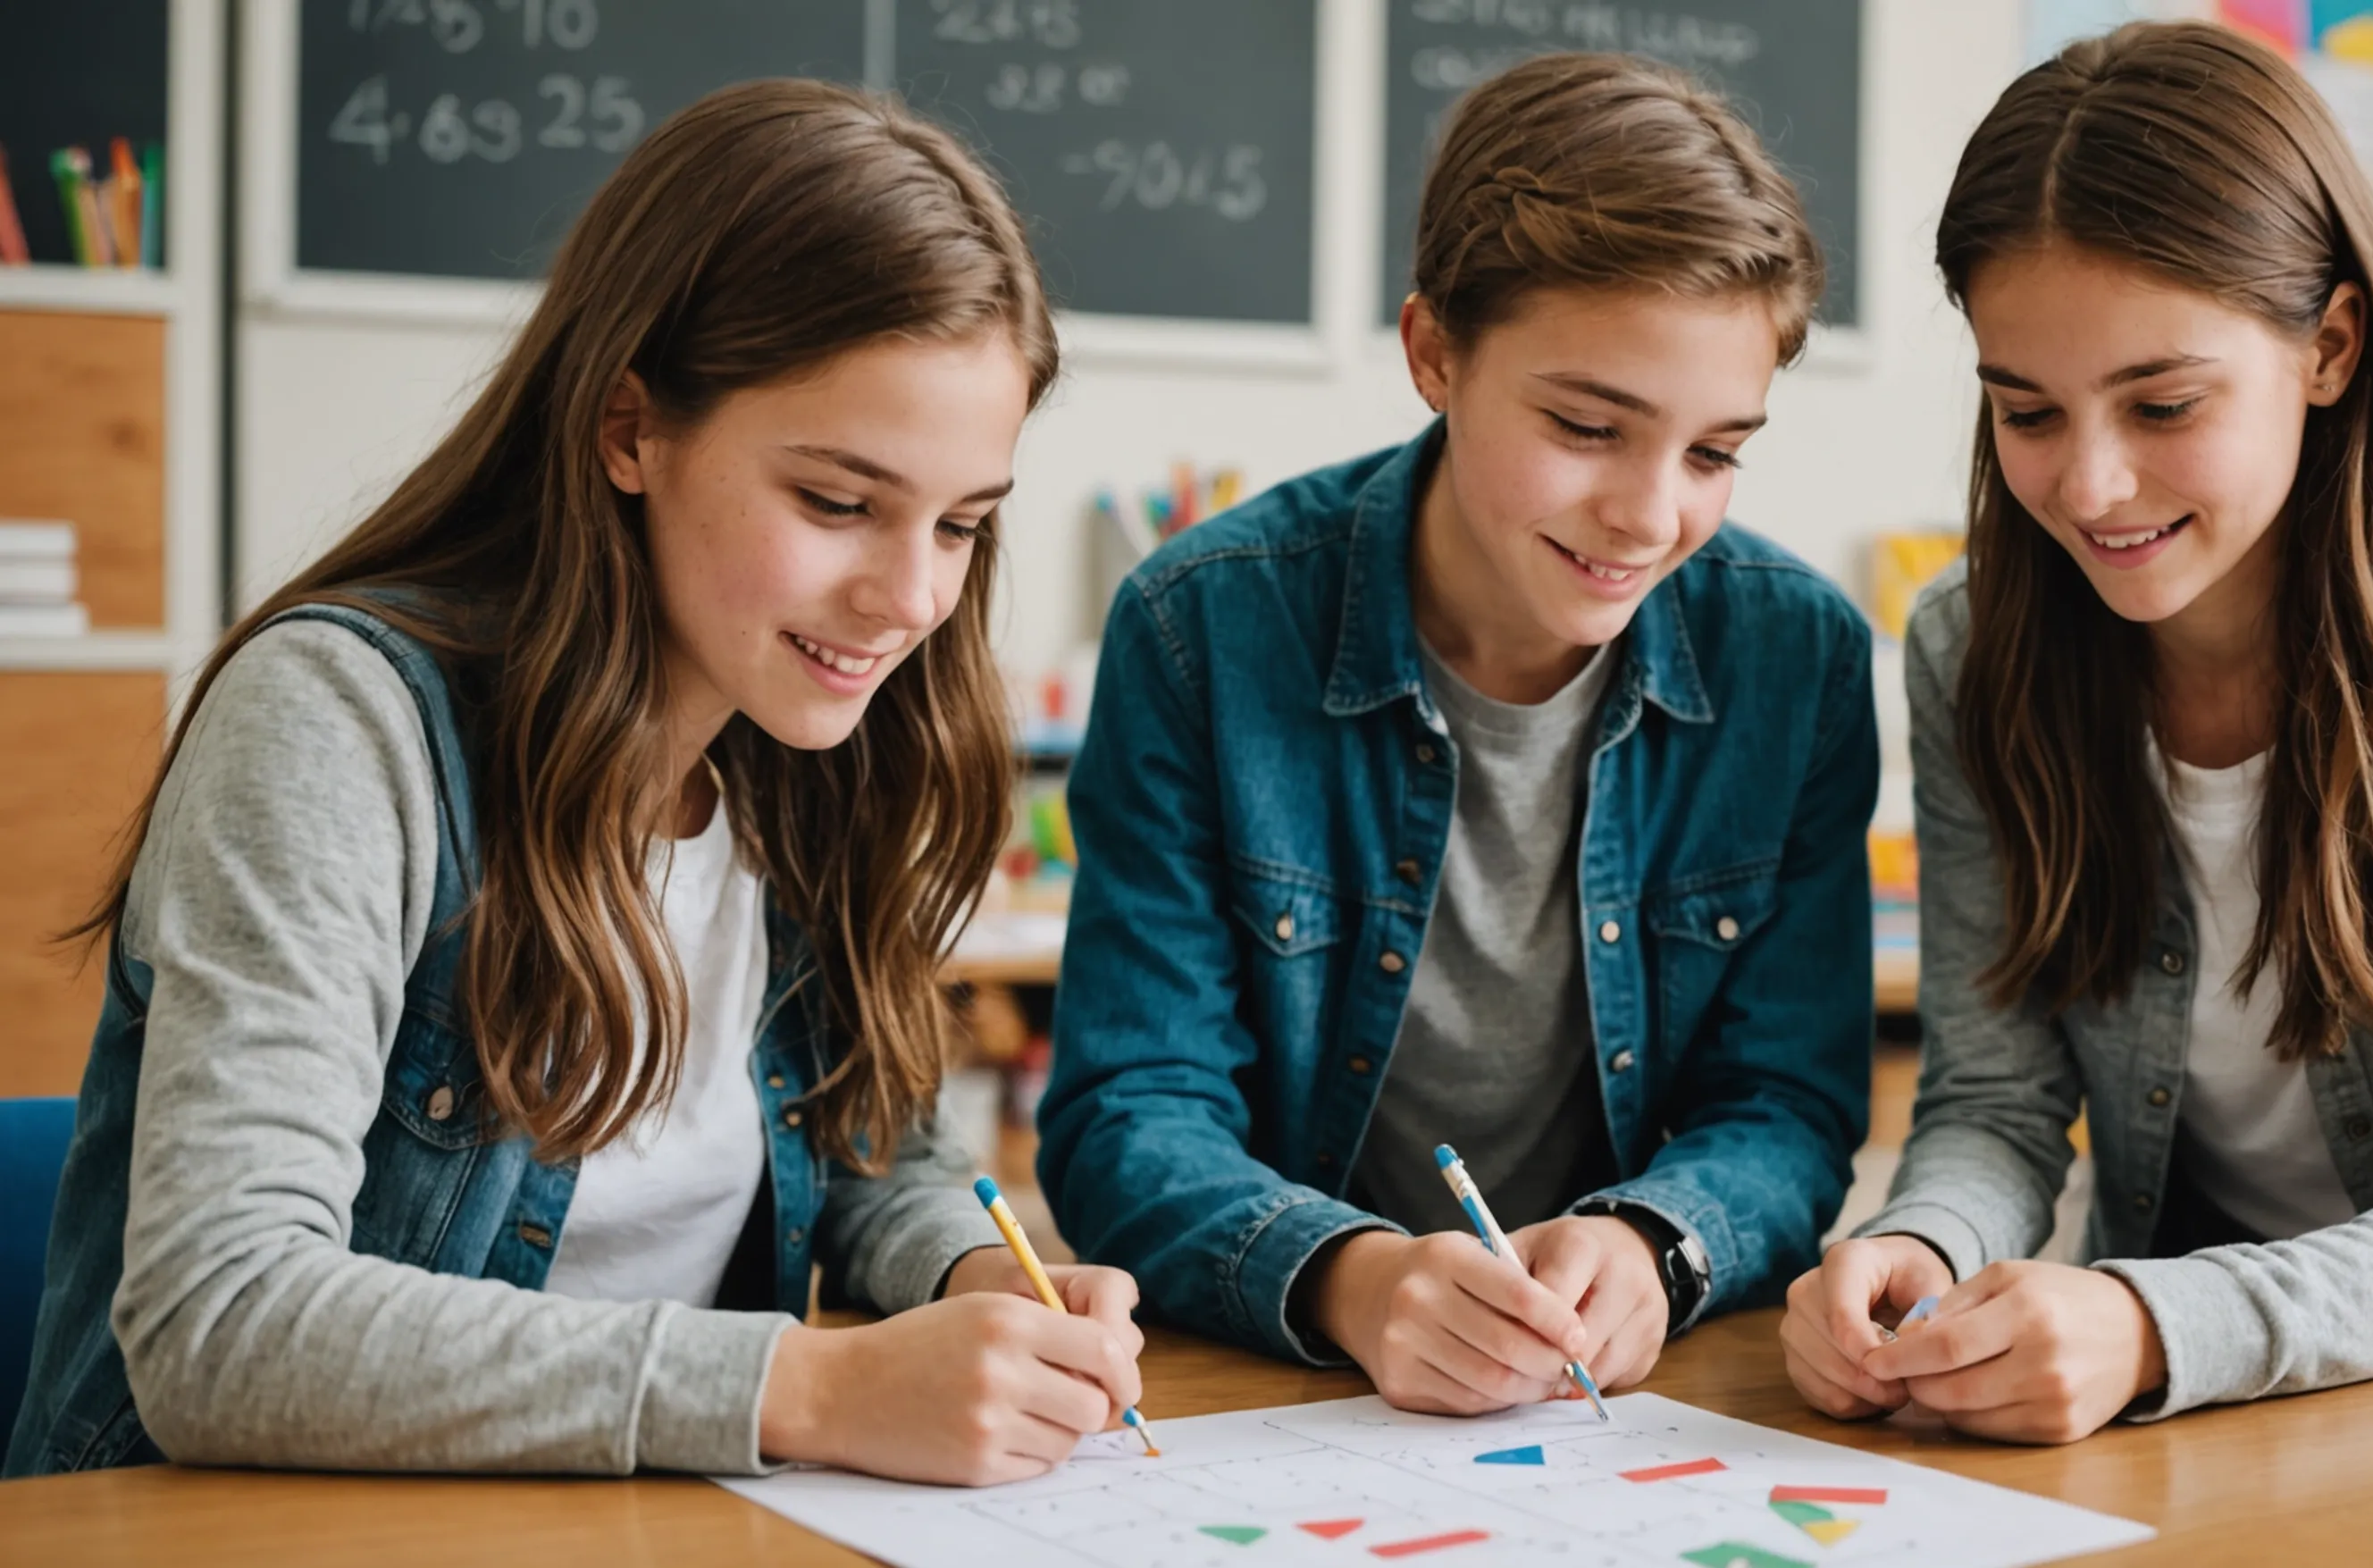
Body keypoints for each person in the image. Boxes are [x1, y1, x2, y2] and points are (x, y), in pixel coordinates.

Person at [7, 80, 1141, 1487]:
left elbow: (865, 1146)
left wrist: (980, 1274)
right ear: (628, 430)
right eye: (838, 503)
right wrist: (810, 1379)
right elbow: (220, 1318)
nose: (909, 597)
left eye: (962, 525)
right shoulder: (340, 724)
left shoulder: (802, 749)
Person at [1781, 21, 2373, 1445]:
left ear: (2329, 345)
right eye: (2026, 410)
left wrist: (2154, 1323)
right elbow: (1995, 1103)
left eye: (2163, 402)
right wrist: (1927, 1245)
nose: (2092, 483)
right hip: (2222, 1410)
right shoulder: (1974, 644)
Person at [1040, 52, 1877, 1414]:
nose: (1650, 514)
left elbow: (1785, 1105)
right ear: (1435, 353)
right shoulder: (1201, 627)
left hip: (1606, 1404)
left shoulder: (1799, 658)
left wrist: (1655, 1245)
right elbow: (1131, 1110)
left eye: (1716, 451)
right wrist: (1353, 1278)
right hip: (1280, 1386)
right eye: (1588, 426)